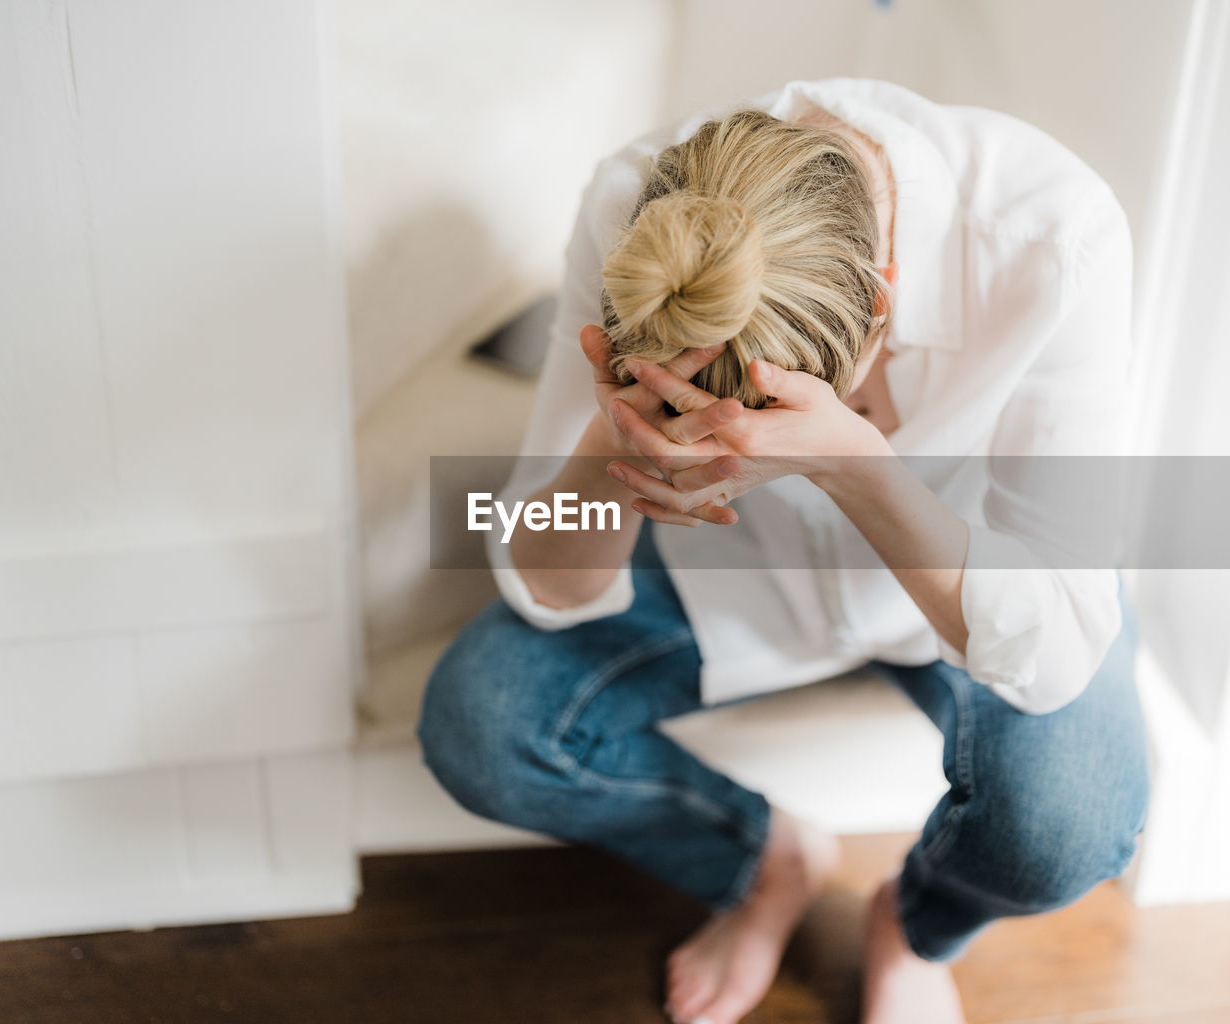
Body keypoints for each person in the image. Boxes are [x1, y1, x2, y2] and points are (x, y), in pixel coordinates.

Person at [417, 78, 1151, 1024]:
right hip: (724, 578)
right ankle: (763, 859)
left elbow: (1052, 662)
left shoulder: (1055, 236)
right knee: (480, 724)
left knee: (1068, 827)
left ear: (881, 309)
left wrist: (861, 473)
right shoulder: (637, 214)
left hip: (960, 577)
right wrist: (610, 449)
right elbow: (538, 570)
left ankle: (915, 925)